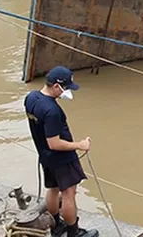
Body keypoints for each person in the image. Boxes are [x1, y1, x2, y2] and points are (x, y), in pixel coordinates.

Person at [25, 66, 98, 237]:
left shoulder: (31, 98)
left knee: (53, 189)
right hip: (61, 159)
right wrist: (80, 145)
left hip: (45, 156)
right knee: (69, 193)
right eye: (66, 87)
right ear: (57, 86)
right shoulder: (52, 111)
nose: (67, 92)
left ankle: (56, 225)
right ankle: (73, 232)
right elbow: (55, 143)